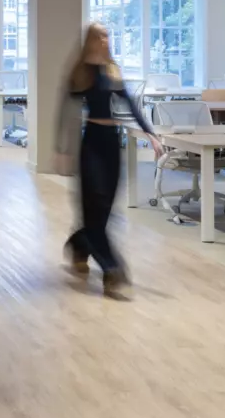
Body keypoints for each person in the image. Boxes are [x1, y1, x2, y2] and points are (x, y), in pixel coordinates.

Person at [64, 23, 159, 300]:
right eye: (101, 36)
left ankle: (78, 243)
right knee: (94, 205)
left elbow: (129, 103)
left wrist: (150, 133)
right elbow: (65, 110)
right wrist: (62, 148)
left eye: (107, 35)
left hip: (111, 142)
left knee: (104, 209)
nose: (106, 40)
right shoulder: (81, 71)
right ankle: (110, 268)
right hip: (91, 142)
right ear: (92, 40)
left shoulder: (111, 69)